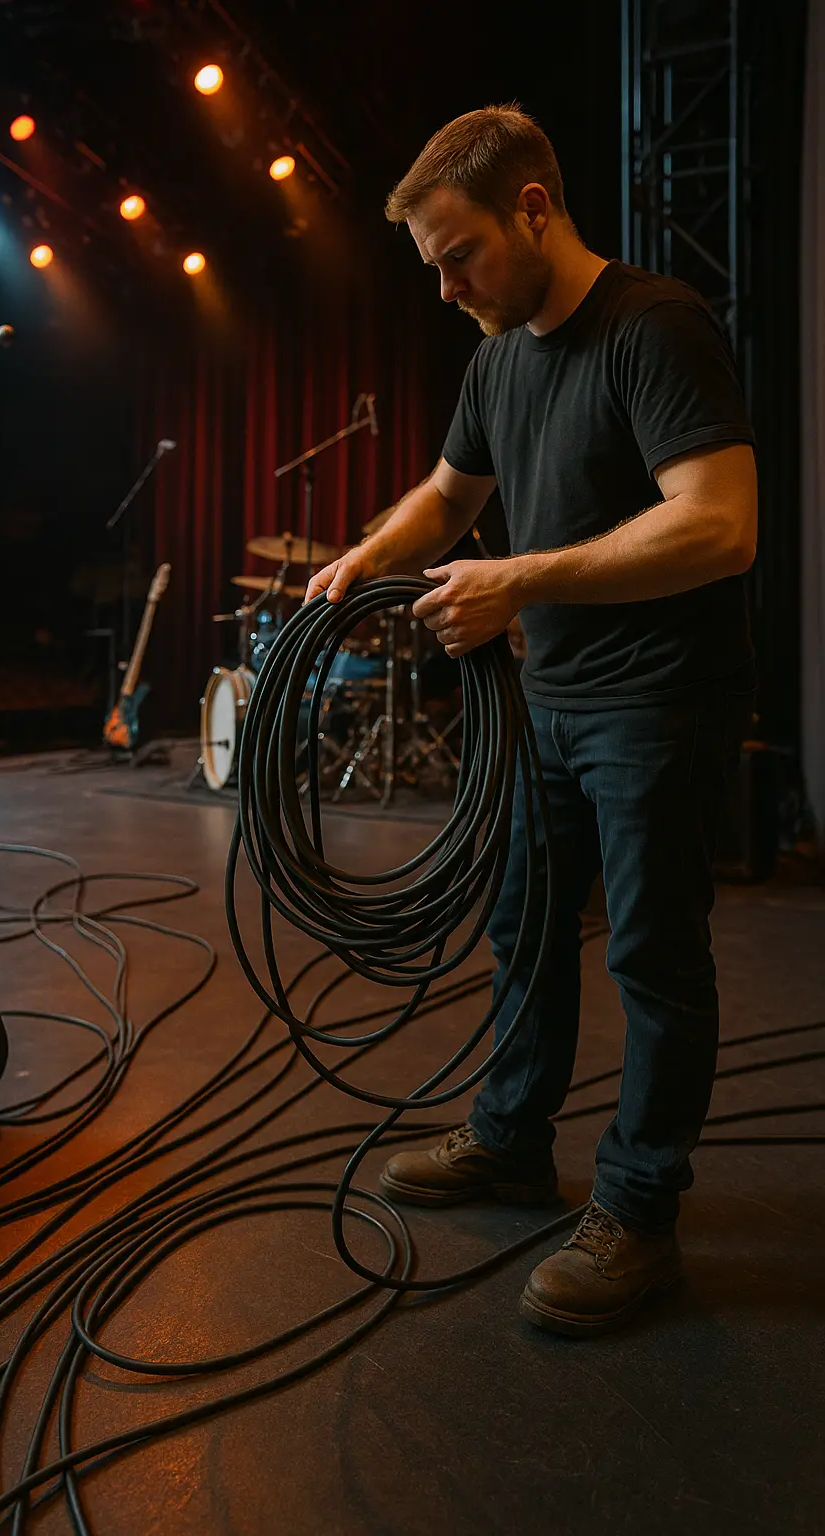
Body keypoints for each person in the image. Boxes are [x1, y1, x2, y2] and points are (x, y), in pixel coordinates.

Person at [305, 105, 757, 1338]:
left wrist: (521, 580)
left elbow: (719, 523)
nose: (447, 288)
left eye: (460, 256)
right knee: (523, 928)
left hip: (652, 705)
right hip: (549, 706)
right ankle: (511, 1142)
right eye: (432, 268)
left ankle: (638, 1210)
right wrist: (364, 559)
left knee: (654, 958)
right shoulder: (498, 356)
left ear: (534, 208)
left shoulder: (654, 327)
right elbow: (448, 500)